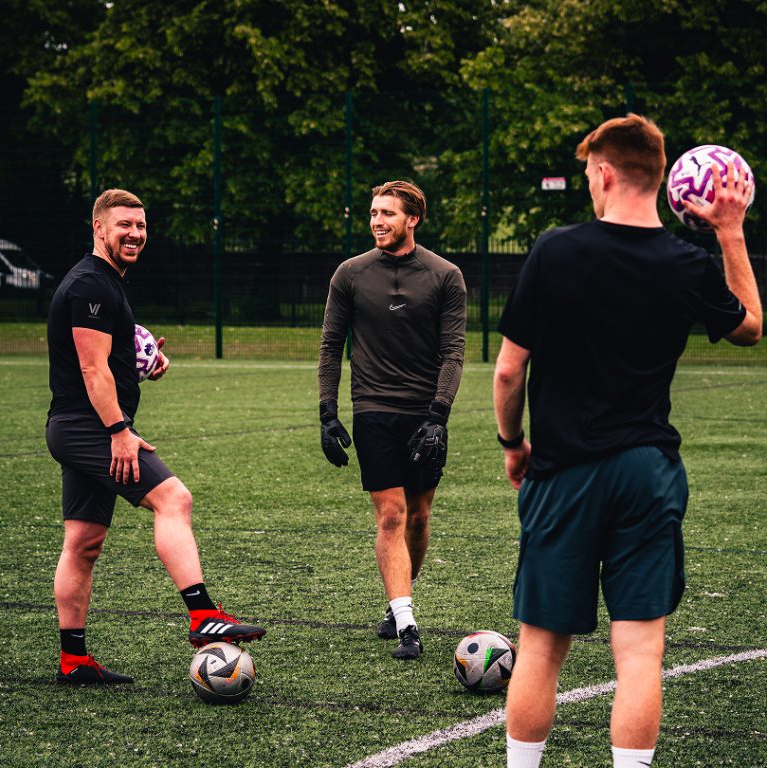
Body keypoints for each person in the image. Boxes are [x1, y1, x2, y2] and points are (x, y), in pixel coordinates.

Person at [493, 115, 761, 768]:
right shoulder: (689, 264)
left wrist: (513, 442)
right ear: (663, 177)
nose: (589, 183)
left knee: (541, 647)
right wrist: (730, 232)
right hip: (648, 470)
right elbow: (752, 327)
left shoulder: (557, 250)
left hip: (565, 472)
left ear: (606, 172)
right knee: (640, 653)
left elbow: (508, 370)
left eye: (589, 173)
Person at [46, 188, 266, 684]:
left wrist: (144, 363)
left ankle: (73, 661)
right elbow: (91, 368)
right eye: (124, 225)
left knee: (83, 542)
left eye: (141, 226)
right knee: (174, 499)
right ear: (98, 227)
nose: (135, 234)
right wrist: (120, 431)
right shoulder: (91, 285)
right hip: (90, 428)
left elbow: (107, 358)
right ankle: (202, 613)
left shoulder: (105, 283)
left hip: (81, 426)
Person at [318, 180, 467, 660]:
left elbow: (453, 353)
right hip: (373, 410)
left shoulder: (445, 276)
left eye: (387, 213)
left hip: (424, 414)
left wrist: (438, 417)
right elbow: (330, 346)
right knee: (392, 515)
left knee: (419, 518)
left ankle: (398, 599)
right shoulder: (350, 274)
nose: (378, 221)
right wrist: (327, 411)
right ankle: (406, 622)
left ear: (413, 219)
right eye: (373, 213)